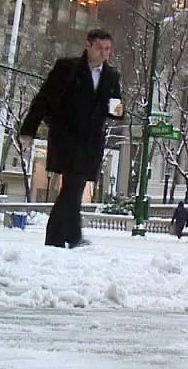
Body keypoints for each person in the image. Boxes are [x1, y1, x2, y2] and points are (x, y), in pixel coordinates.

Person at [19, 29, 123, 249]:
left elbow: (114, 107)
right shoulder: (67, 68)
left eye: (107, 49)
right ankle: (67, 237)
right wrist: (28, 129)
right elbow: (44, 98)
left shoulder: (111, 76)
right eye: (99, 48)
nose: (104, 54)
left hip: (92, 142)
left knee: (73, 187)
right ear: (88, 45)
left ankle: (63, 237)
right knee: (73, 185)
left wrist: (119, 111)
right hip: (67, 136)